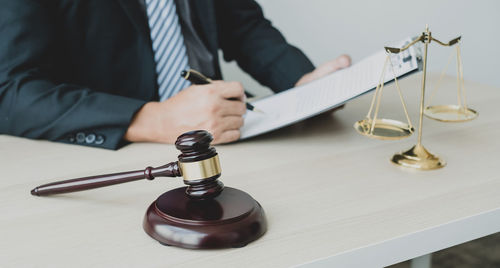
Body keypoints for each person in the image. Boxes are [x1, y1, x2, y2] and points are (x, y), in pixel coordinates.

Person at [0, 0, 350, 150]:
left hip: (224, 134)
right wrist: (152, 119)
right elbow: (11, 92)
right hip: (115, 156)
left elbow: (243, 26)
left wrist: (302, 84)